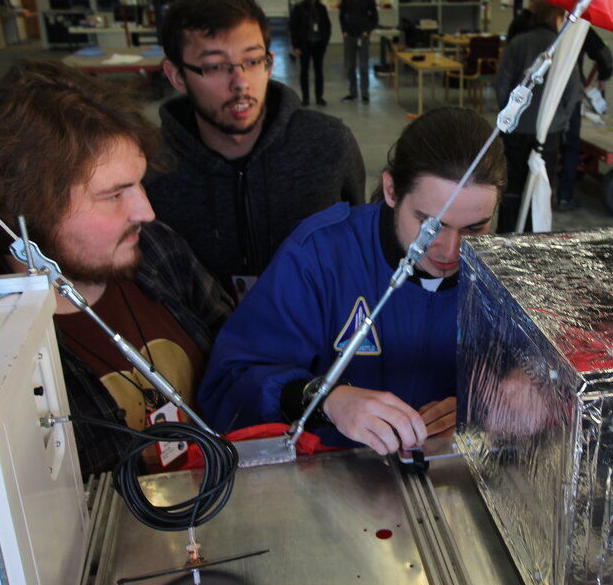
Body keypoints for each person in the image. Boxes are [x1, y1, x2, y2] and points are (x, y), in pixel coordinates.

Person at [0, 60, 234, 478]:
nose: (145, 210)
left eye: (139, 184)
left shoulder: (157, 251)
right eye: (113, 195)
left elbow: (237, 346)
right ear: (26, 213)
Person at [199, 107, 507, 454]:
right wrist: (325, 399)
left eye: (475, 228)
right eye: (430, 224)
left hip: (451, 470)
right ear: (391, 190)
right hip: (332, 473)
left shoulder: (503, 271)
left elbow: (547, 381)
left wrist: (490, 406)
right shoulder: (319, 255)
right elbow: (231, 380)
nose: (451, 251)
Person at [150, 0, 366, 297]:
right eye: (214, 67)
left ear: (269, 62)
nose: (241, 83)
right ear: (176, 76)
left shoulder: (330, 144)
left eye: (252, 61)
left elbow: (361, 250)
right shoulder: (152, 171)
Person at [496, 0, 582, 233]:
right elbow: (574, 91)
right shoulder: (561, 49)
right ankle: (533, 240)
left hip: (516, 129)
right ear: (557, 18)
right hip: (548, 131)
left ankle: (505, 237)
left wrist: (508, 115)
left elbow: (503, 84)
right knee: (540, 187)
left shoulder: (518, 43)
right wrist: (560, 118)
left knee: (511, 186)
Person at [557, 28, 613, 212]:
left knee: (546, 145)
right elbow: (604, 53)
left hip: (543, 95)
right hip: (570, 93)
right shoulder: (579, 24)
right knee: (571, 145)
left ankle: (536, 198)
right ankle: (564, 198)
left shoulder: (536, 24)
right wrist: (604, 77)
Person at [339, 0, 378, 103]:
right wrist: (344, 30)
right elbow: (342, 15)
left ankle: (365, 93)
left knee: (363, 66)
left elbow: (374, 18)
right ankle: (353, 93)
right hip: (349, 35)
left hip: (363, 36)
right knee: (350, 65)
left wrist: (368, 31)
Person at [289, 0, 331, 106]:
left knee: (319, 71)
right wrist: (296, 45)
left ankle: (319, 97)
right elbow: (293, 27)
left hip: (318, 44)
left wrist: (325, 41)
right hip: (304, 45)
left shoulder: (321, 8)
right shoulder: (299, 8)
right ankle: (305, 98)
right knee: (304, 71)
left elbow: (327, 26)